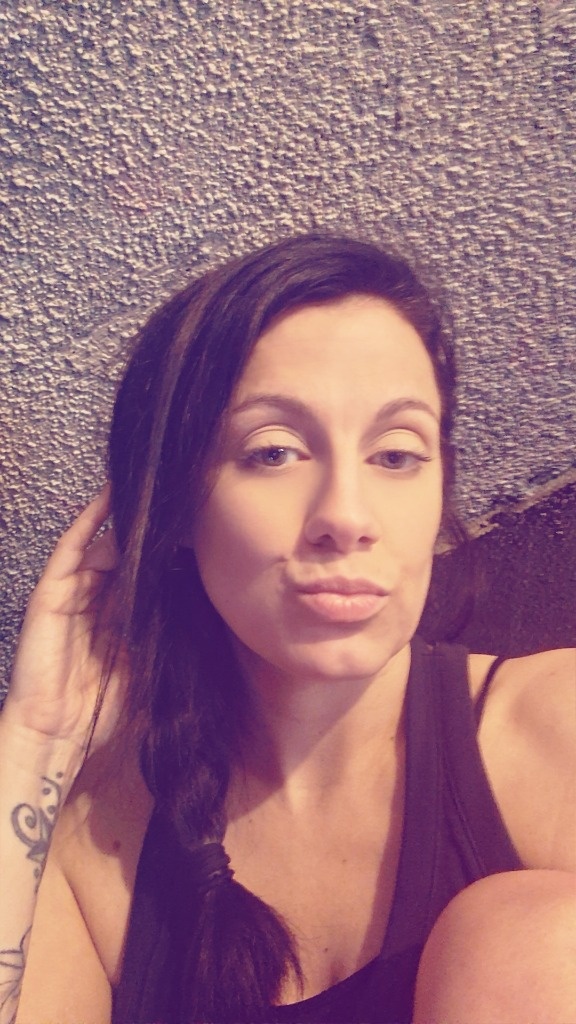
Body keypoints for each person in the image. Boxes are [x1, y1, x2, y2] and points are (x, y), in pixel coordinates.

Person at [0, 233, 574, 1024]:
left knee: (526, 942)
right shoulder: (95, 843)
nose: (346, 515)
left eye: (397, 455)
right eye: (274, 452)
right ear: (173, 509)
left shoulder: (554, 729)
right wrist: (34, 743)